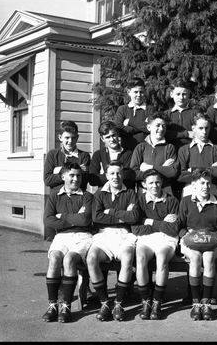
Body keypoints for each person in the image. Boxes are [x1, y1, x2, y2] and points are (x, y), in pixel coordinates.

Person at [86, 160, 141, 322]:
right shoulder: (99, 194)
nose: (115, 177)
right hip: (104, 235)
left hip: (124, 235)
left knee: (127, 258)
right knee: (91, 258)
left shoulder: (131, 193)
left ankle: (118, 303)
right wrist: (123, 215)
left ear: (122, 174)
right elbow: (97, 217)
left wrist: (110, 211)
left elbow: (134, 217)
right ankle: (104, 302)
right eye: (112, 173)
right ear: (106, 175)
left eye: (118, 173)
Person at [42, 162, 93, 323]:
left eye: (78, 175)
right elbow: (48, 221)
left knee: (69, 259)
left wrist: (62, 216)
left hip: (82, 236)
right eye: (71, 175)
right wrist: (74, 218)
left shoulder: (87, 196)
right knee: (55, 257)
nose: (75, 179)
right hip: (62, 236)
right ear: (63, 177)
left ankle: (66, 306)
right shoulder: (55, 195)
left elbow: (85, 220)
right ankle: (53, 305)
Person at [178, 169, 217, 321]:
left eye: (208, 183)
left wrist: (213, 235)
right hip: (190, 240)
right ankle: (195, 303)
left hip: (212, 240)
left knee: (208, 258)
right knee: (194, 258)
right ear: (193, 185)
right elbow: (179, 225)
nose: (205, 186)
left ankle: (206, 302)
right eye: (201, 183)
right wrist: (186, 235)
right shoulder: (186, 201)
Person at [132, 169, 180, 320]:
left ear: (162, 183)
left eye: (158, 182)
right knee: (140, 258)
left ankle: (157, 301)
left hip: (166, 238)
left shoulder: (171, 201)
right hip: (146, 238)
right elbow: (136, 228)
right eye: (151, 183)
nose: (155, 186)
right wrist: (162, 223)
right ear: (144, 184)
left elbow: (173, 229)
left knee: (161, 258)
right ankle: (146, 300)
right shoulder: (139, 201)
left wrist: (149, 221)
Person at [177, 112, 217, 198]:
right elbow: (181, 176)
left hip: (211, 190)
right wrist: (210, 169)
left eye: (207, 128)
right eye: (200, 128)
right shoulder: (184, 150)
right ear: (193, 128)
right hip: (190, 190)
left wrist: (192, 170)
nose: (204, 132)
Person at [130, 112, 178, 196]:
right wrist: (162, 169)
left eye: (164, 126)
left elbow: (172, 172)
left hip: (165, 192)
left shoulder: (169, 148)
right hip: (144, 193)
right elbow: (133, 174)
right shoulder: (141, 147)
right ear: (149, 127)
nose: (161, 129)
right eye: (158, 125)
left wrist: (149, 168)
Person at [44, 120, 90, 192]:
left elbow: (84, 181)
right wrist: (76, 171)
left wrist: (59, 171)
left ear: (77, 137)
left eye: (73, 137)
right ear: (60, 137)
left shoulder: (84, 156)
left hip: (78, 197)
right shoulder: (52, 154)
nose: (70, 141)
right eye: (67, 138)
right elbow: (47, 180)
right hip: (57, 197)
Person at [89, 120, 134, 189]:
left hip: (124, 194)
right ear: (102, 139)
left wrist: (104, 175)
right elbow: (93, 180)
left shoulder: (128, 154)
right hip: (104, 196)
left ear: (117, 134)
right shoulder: (98, 155)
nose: (112, 139)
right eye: (108, 137)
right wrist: (119, 174)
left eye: (113, 135)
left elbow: (129, 177)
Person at [113, 77, 153, 151]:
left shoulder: (150, 109)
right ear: (128, 92)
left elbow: (152, 129)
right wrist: (143, 126)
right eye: (135, 92)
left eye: (141, 92)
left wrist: (130, 122)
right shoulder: (122, 109)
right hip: (127, 151)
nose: (139, 95)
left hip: (146, 150)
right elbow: (119, 130)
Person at [164, 78, 202, 151]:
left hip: (192, 150)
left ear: (188, 95)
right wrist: (186, 134)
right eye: (178, 94)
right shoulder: (166, 114)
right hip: (171, 151)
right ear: (171, 94)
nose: (181, 97)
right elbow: (165, 134)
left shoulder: (195, 113)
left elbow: (200, 132)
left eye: (184, 94)